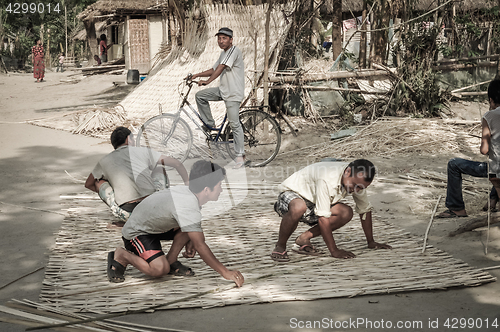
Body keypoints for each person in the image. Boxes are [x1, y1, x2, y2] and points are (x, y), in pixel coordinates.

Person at [106, 160, 245, 287]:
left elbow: (192, 228)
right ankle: (122, 255)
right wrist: (225, 272)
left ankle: (171, 259)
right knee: (160, 269)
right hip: (136, 233)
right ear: (207, 190)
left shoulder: (190, 193)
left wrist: (191, 240)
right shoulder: (188, 204)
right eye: (219, 185)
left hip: (153, 228)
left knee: (191, 231)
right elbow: (200, 245)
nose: (221, 189)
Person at [270, 159, 391, 262]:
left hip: (313, 203)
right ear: (347, 171)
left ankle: (303, 238)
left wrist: (371, 242)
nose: (356, 190)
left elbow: (364, 210)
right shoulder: (327, 179)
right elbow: (323, 218)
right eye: (354, 185)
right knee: (298, 207)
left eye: (360, 188)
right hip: (292, 196)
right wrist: (334, 251)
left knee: (346, 213)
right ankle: (280, 246)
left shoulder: (357, 182)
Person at [85, 126, 189, 226]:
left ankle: (118, 210)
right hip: (154, 209)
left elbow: (88, 184)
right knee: (159, 168)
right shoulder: (143, 151)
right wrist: (188, 186)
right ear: (128, 139)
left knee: (99, 182)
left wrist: (115, 191)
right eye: (133, 139)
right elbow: (176, 163)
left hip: (127, 213)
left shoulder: (104, 161)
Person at [437, 80, 500, 218]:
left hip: (496, 171)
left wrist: (489, 147)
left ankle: (456, 208)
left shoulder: (489, 116)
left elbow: (484, 150)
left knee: (453, 164)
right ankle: (493, 200)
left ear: (491, 99)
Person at [190, 27, 246, 167]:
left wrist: (207, 82)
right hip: (223, 90)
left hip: (233, 93)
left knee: (234, 124)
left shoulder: (233, 51)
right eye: (219, 38)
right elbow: (214, 69)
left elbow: (220, 68)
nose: (221, 41)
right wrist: (197, 75)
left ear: (231, 40)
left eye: (224, 38)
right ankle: (210, 124)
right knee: (200, 96)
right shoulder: (224, 53)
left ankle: (240, 156)